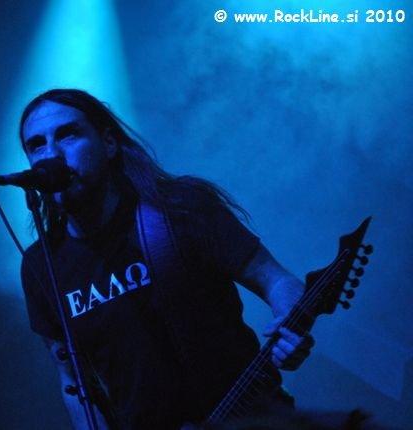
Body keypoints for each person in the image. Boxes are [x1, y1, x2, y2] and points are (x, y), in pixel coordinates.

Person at [18, 89, 314, 429]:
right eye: (36, 145)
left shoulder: (179, 210)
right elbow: (73, 383)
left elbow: (276, 279)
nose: (52, 154)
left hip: (251, 418)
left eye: (68, 135)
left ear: (109, 143)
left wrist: (291, 326)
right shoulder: (42, 266)